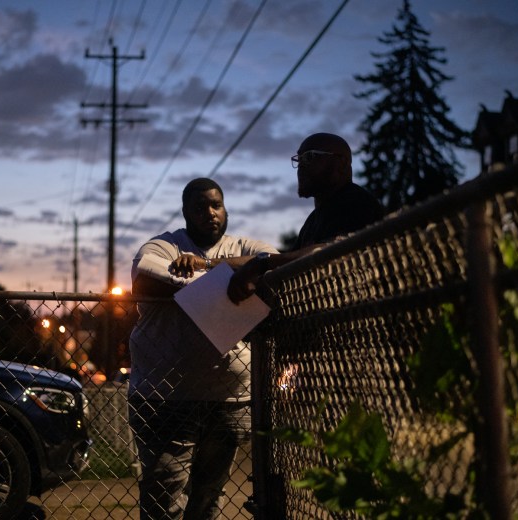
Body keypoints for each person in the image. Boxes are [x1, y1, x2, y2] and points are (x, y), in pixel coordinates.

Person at [128, 177, 278, 519]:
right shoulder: (165, 247)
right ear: (184, 212)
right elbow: (147, 273)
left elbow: (274, 261)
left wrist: (206, 267)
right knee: (163, 500)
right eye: (199, 207)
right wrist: (241, 281)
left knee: (208, 500)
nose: (210, 213)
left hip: (228, 399)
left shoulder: (243, 245)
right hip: (165, 397)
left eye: (216, 205)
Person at [227, 132, 384, 303]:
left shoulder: (356, 202)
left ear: (342, 162)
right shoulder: (314, 219)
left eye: (310, 156)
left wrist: (260, 264)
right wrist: (209, 264)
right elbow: (291, 258)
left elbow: (329, 251)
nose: (301, 165)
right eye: (299, 159)